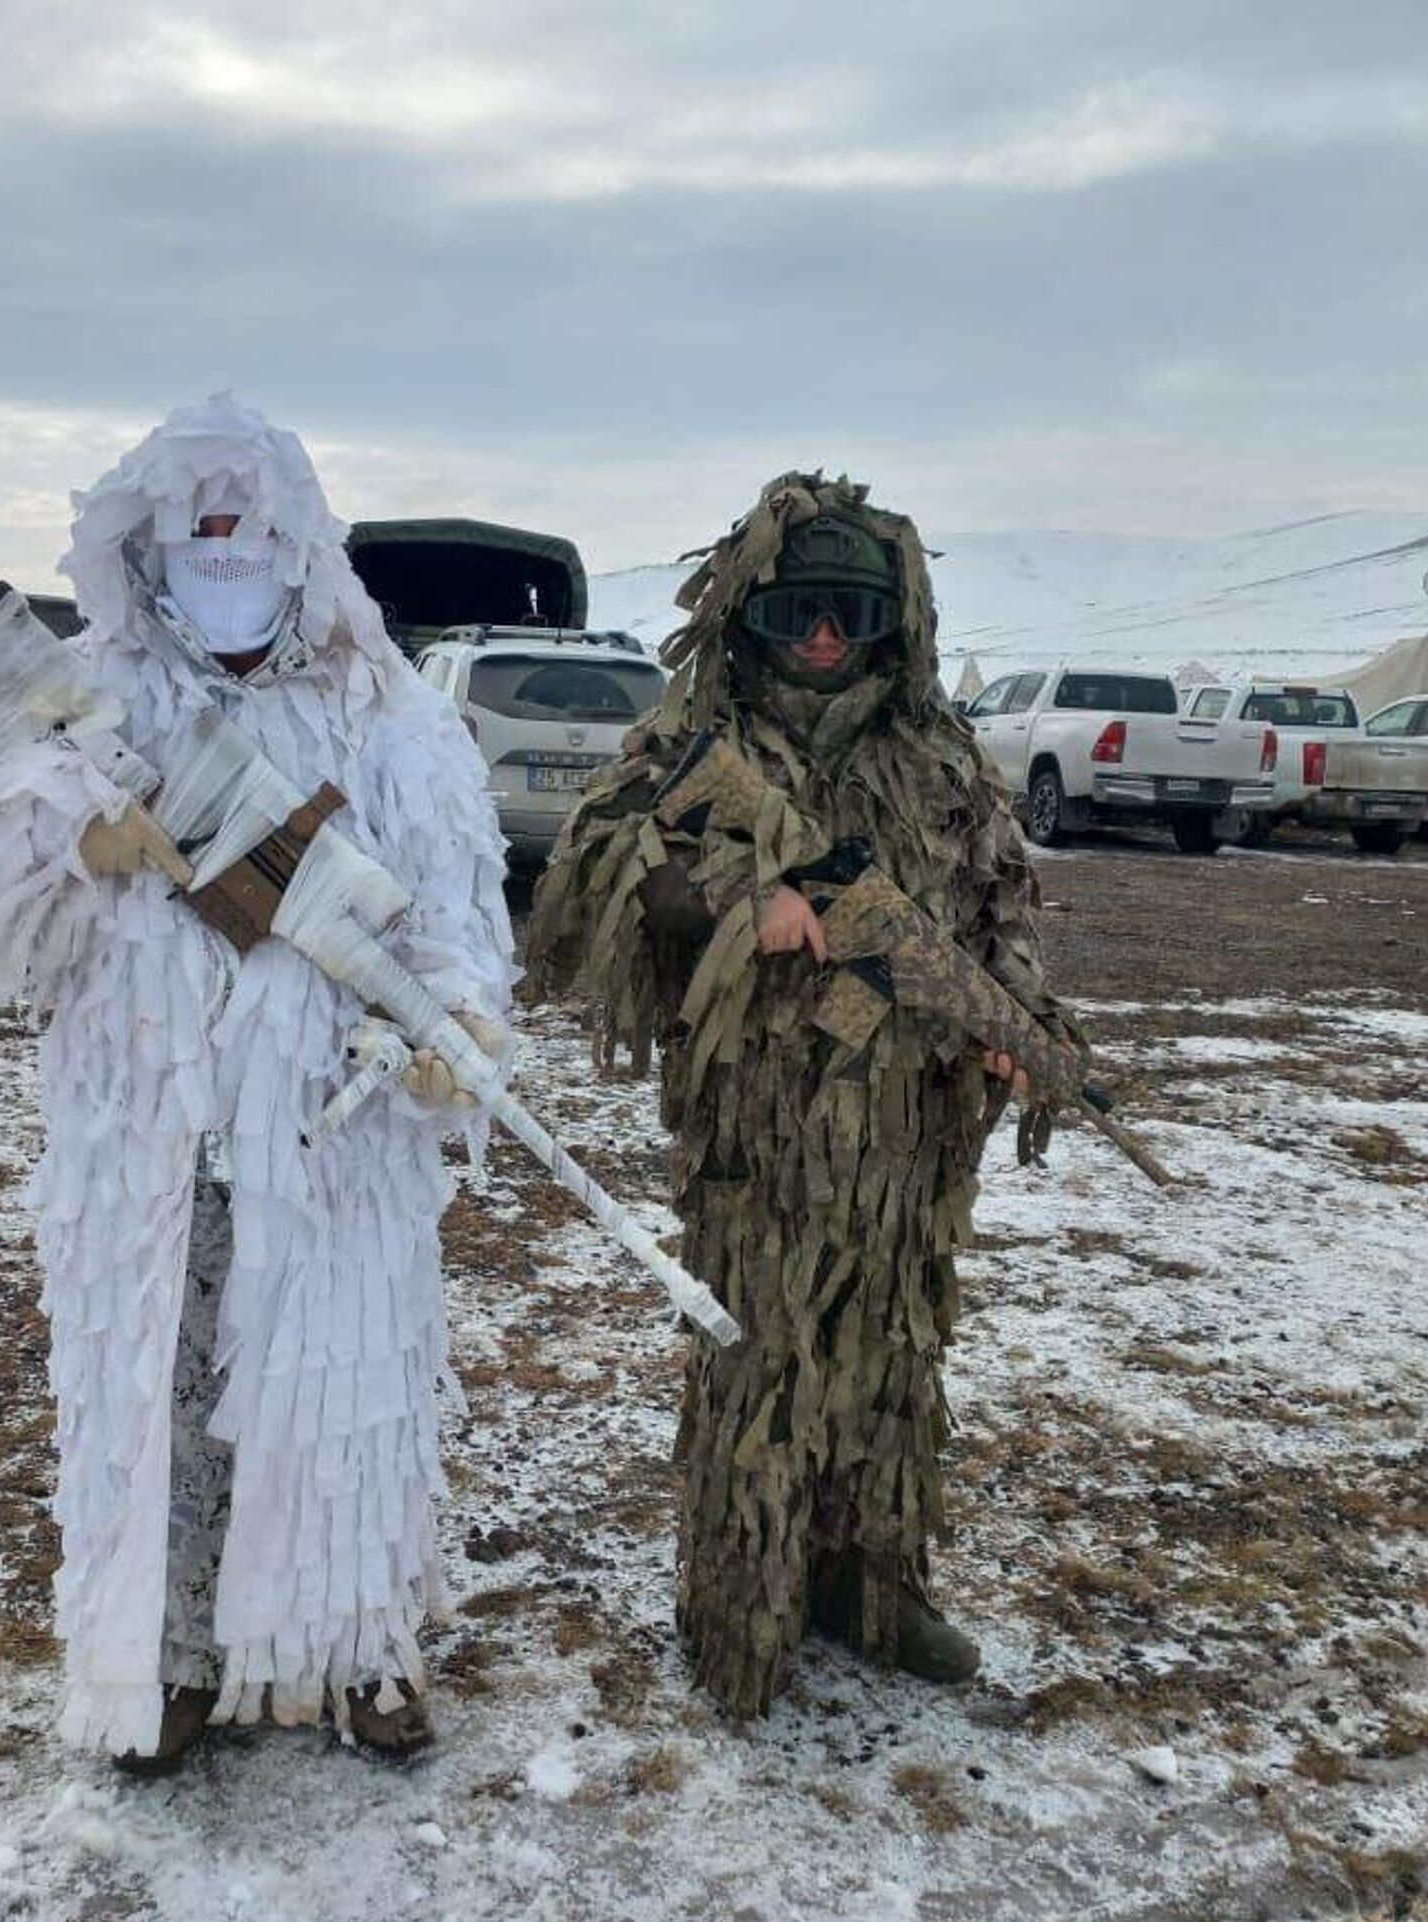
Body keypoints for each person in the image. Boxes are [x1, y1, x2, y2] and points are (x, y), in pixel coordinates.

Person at [0, 395, 514, 1769]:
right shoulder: (77, 692)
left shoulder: (385, 713)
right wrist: (71, 837)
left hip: (332, 1142)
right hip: (141, 1138)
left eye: (251, 535)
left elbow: (447, 900)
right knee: (153, 1404)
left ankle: (355, 1648)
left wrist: (455, 1021)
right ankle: (163, 1662)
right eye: (197, 535)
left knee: (339, 1391)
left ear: (300, 545)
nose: (227, 558)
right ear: (145, 546)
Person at [527, 472, 1080, 1718]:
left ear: (895, 622)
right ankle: (744, 1608)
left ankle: (871, 1588)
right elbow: (598, 871)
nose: (825, 639)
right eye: (797, 614)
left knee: (891, 1359)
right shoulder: (694, 745)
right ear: (748, 615)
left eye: (851, 614)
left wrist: (1017, 1018)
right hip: (758, 1126)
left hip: (908, 1135)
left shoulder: (938, 755)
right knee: (762, 1364)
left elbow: (999, 904)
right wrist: (740, 897)